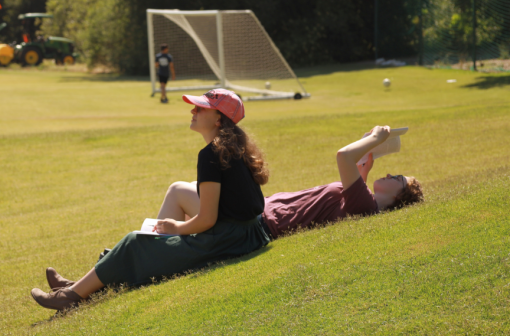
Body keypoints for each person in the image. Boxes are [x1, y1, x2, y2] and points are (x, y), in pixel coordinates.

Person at [31, 89, 270, 310]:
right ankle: (85, 283)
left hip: (228, 239)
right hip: (250, 234)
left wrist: (178, 227)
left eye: (200, 108)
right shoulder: (234, 146)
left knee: (134, 242)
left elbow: (207, 219)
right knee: (178, 189)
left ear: (218, 120)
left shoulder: (210, 155)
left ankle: (69, 297)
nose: (192, 111)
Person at [143, 126, 424, 240]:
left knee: (178, 189)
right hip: (262, 214)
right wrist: (367, 161)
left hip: (261, 222)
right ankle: (158, 239)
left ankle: (151, 244)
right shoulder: (362, 201)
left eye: (397, 179)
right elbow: (351, 181)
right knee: (196, 186)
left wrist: (377, 136)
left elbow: (343, 157)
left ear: (399, 199)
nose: (390, 175)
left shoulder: (366, 207)